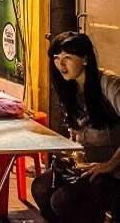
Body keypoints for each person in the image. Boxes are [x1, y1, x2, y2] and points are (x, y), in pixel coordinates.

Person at [31, 32, 120, 223]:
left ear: (86, 59)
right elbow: (78, 132)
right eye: (57, 58)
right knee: (40, 187)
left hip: (113, 170)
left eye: (68, 58)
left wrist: (110, 164)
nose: (60, 65)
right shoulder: (69, 87)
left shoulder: (109, 84)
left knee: (62, 200)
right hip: (86, 166)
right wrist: (71, 153)